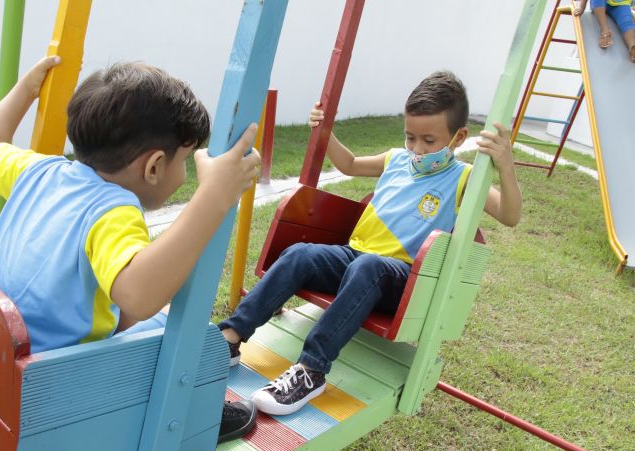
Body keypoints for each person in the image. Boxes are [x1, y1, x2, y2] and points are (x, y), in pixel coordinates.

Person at [0, 56, 260, 443]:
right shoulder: (112, 210)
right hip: (49, 387)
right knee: (192, 335)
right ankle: (194, 417)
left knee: (130, 316)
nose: (185, 174)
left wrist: (26, 89)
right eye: (184, 161)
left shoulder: (37, 171)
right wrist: (214, 195)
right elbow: (140, 296)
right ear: (154, 166)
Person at [219, 71, 523, 416]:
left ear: (459, 137)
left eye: (429, 140)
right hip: (356, 258)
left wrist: (505, 166)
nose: (417, 149)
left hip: (401, 277)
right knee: (300, 254)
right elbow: (348, 164)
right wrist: (325, 131)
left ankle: (311, 370)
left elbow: (510, 215)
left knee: (368, 267)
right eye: (410, 137)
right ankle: (230, 338)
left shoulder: (464, 178)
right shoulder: (396, 159)